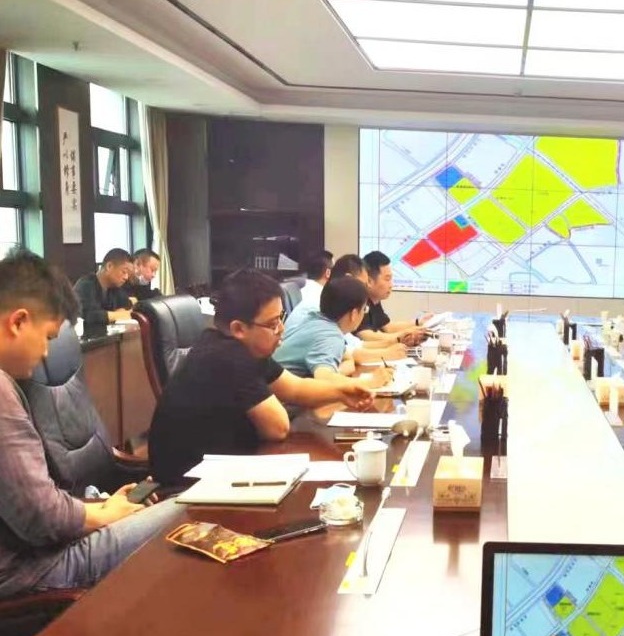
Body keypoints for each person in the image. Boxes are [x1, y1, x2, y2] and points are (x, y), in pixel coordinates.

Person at [0, 250, 183, 597]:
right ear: (18, 322)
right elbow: (41, 519)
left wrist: (101, 507)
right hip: (30, 570)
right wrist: (106, 515)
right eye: (48, 337)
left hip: (33, 548)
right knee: (185, 513)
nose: (45, 354)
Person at [148, 269, 377, 484]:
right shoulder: (228, 357)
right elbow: (278, 428)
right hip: (189, 487)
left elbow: (296, 388)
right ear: (239, 329)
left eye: (281, 318)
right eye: (273, 324)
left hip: (226, 469)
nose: (281, 329)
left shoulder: (237, 346)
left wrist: (342, 392)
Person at [274, 277, 389, 386]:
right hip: (282, 396)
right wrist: (370, 382)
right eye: (364, 309)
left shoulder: (314, 317)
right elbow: (324, 380)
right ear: (354, 314)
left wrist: (337, 372)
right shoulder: (330, 336)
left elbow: (348, 359)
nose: (364, 313)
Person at [355, 251, 428, 346]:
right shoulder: (359, 299)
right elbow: (366, 336)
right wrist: (402, 336)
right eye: (387, 279)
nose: (391, 285)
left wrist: (419, 323)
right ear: (369, 281)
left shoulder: (374, 300)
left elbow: (388, 327)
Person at [73, 248, 133, 327]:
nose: (126, 277)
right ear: (109, 266)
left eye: (128, 274)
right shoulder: (86, 285)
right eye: (124, 272)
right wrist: (117, 315)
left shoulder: (114, 287)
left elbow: (127, 306)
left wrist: (120, 313)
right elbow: (88, 316)